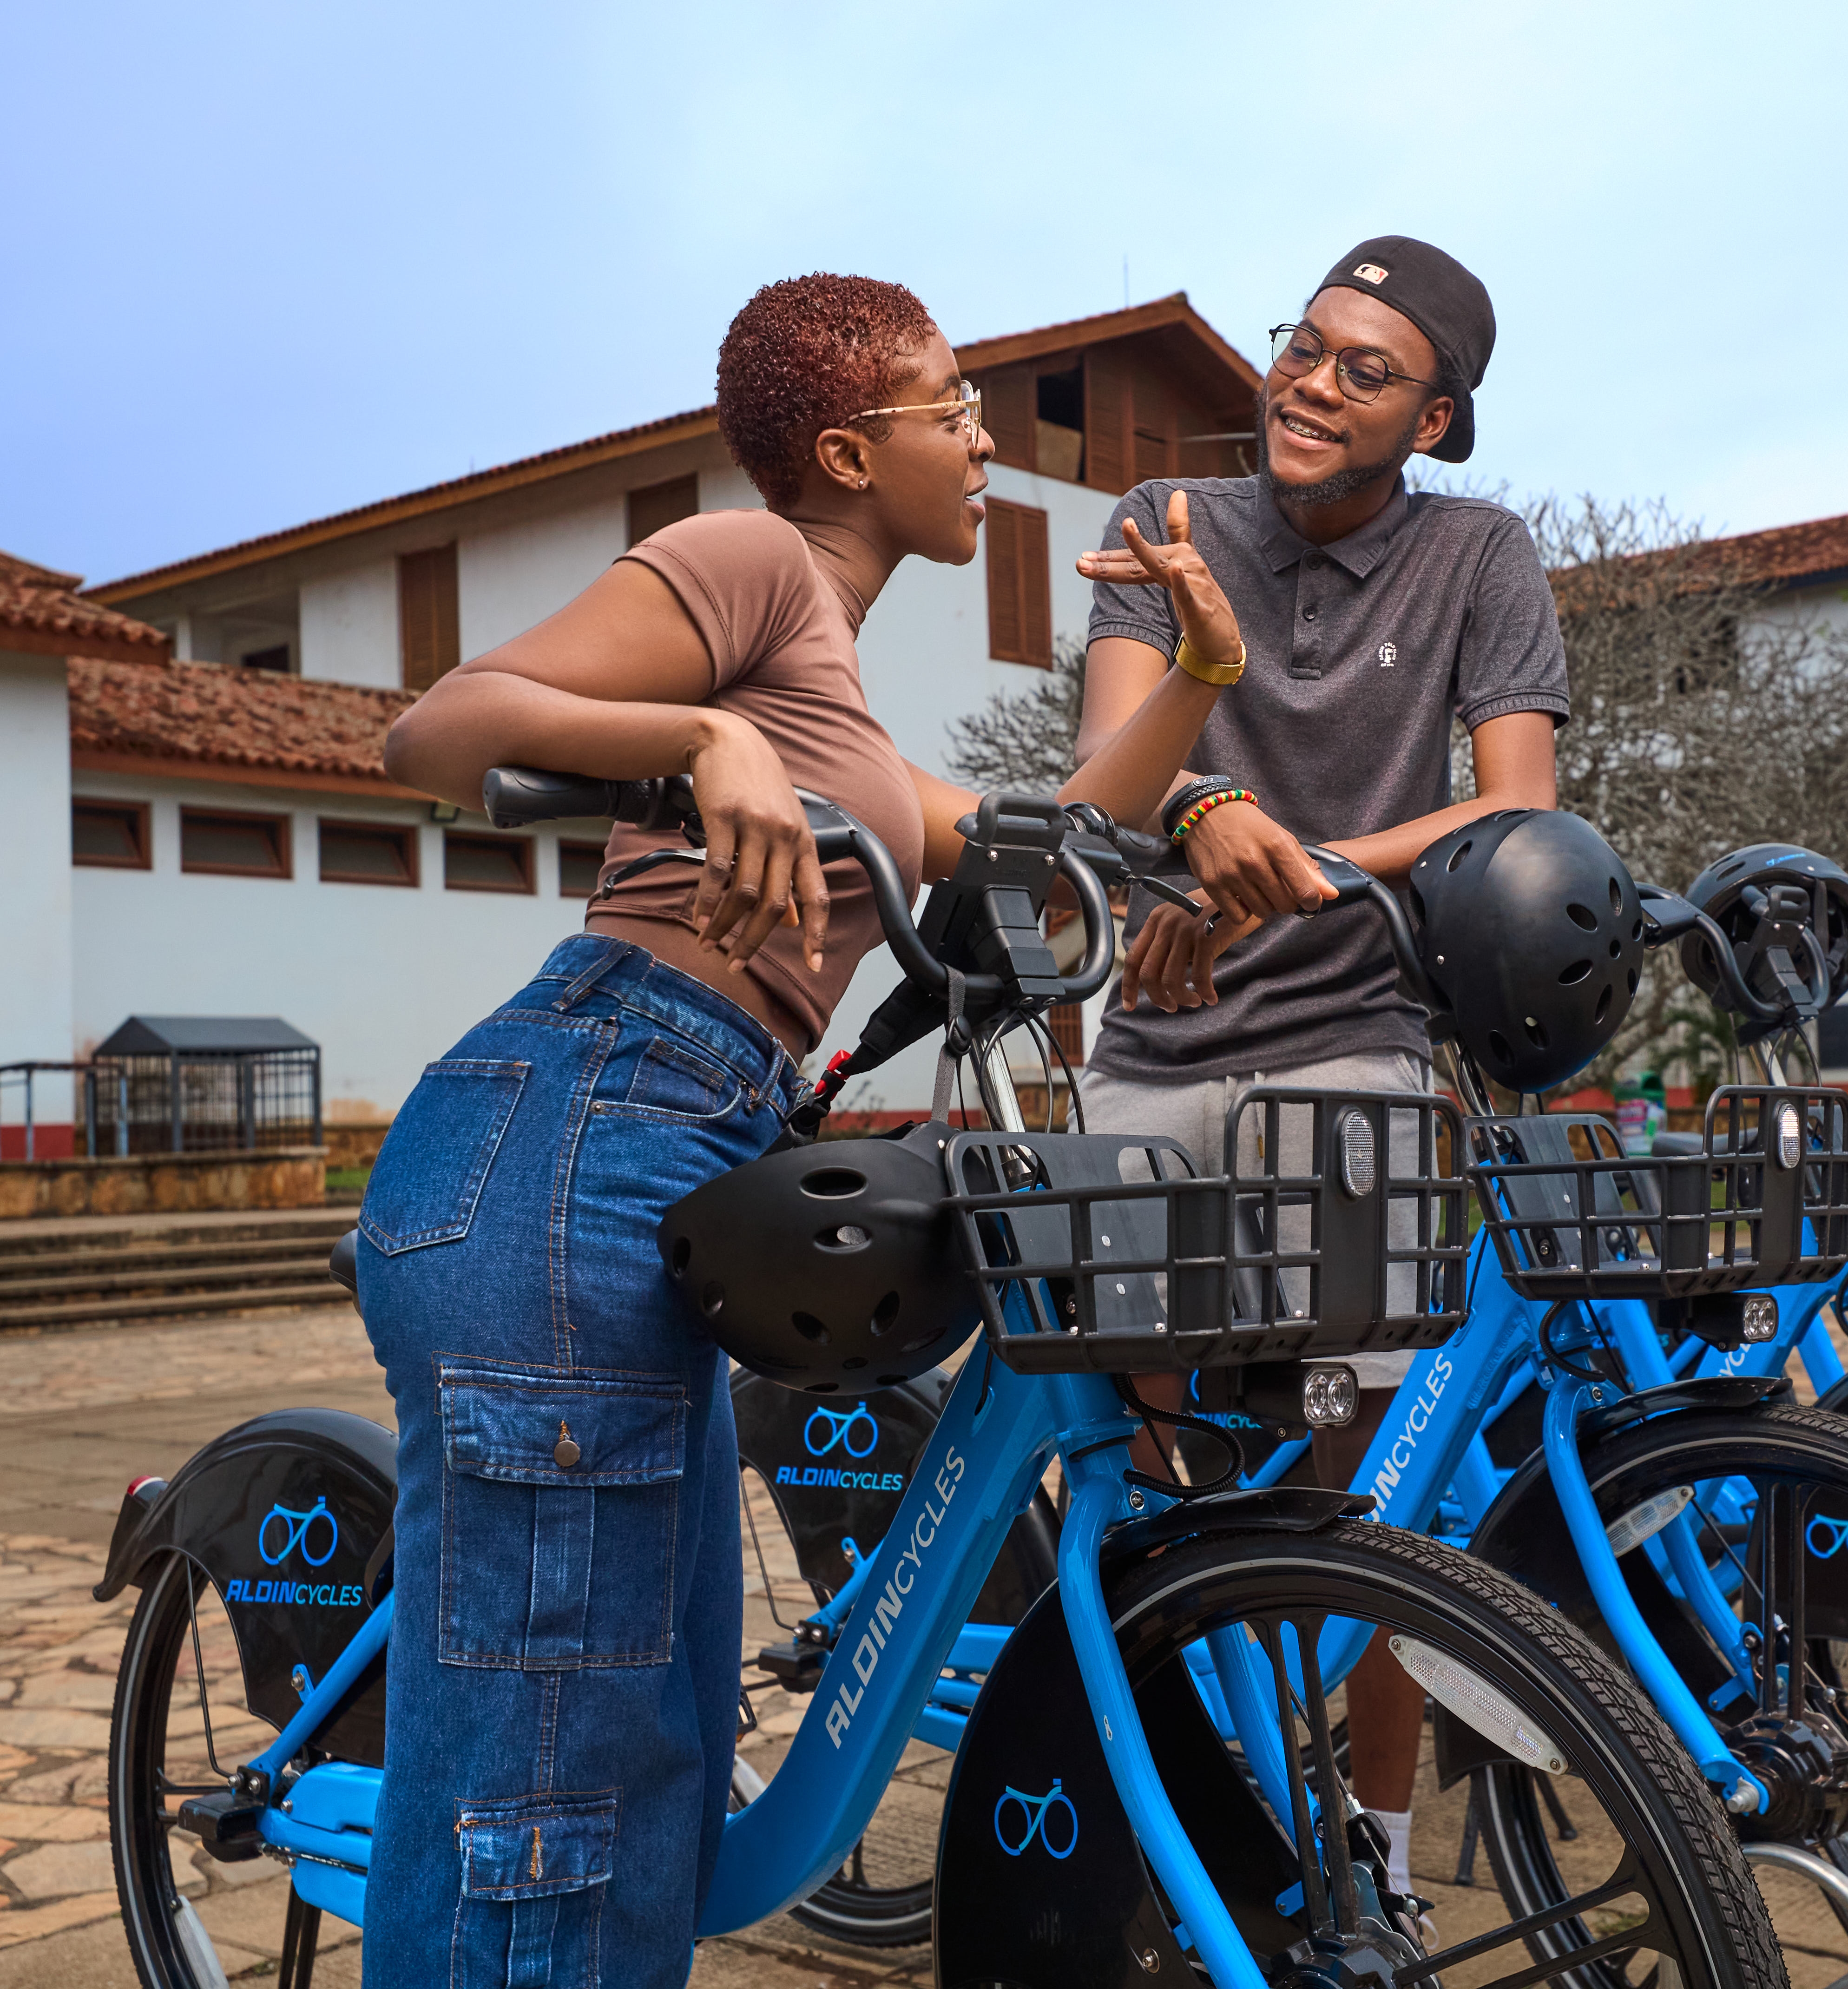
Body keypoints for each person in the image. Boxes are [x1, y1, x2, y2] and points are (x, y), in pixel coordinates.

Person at [364, 273, 1249, 1989]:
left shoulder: (832, 694)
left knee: (643, 1768)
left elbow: (1038, 835)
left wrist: (1201, 678)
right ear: (848, 451)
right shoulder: (750, 565)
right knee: (560, 1792)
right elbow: (437, 729)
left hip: (670, 1142)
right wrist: (697, 739)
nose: (986, 436)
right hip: (583, 1123)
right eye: (954, 406)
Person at [1070, 235, 1568, 1914]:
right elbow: (1109, 781)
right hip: (1147, 1035)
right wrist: (1207, 831)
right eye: (1304, 344)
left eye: (1367, 369)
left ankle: (1375, 1857)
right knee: (1144, 1477)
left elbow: (1512, 808)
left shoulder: (1482, 553)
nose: (1310, 381)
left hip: (1350, 1029)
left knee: (1362, 1504)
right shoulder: (1171, 527)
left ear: (1433, 419)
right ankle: (1180, 1837)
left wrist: (1301, 864)